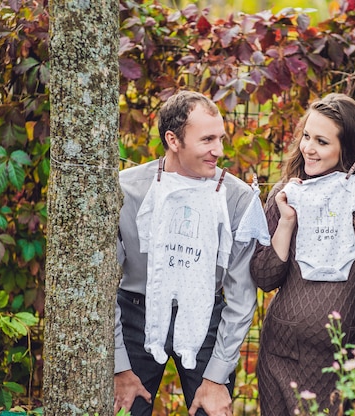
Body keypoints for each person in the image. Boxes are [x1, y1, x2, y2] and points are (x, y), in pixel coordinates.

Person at [113, 91, 269, 416]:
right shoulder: (125, 190)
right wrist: (118, 366)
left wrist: (217, 376)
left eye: (221, 139)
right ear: (173, 139)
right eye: (207, 139)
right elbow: (102, 287)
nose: (219, 151)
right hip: (134, 317)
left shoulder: (237, 198)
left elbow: (241, 296)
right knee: (124, 411)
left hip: (208, 317)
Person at [250, 93, 355, 415]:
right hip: (282, 354)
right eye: (307, 137)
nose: (308, 148)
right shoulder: (287, 194)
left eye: (321, 141)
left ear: (346, 148)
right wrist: (286, 221)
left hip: (339, 360)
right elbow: (264, 278)